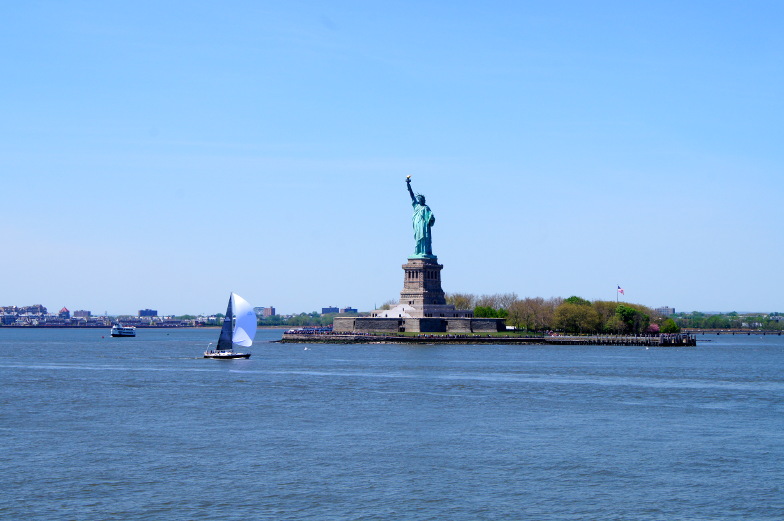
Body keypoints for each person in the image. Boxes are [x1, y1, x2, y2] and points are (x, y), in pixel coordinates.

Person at [406, 176, 435, 257]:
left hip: (424, 225)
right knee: (418, 238)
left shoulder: (426, 208)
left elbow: (431, 217)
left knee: (425, 237)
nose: (419, 200)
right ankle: (418, 252)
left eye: (420, 199)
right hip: (417, 224)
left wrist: (431, 217)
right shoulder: (416, 206)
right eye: (418, 199)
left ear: (423, 200)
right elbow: (411, 195)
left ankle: (425, 252)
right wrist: (408, 184)